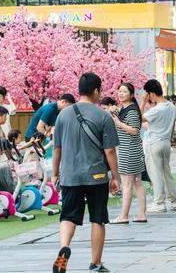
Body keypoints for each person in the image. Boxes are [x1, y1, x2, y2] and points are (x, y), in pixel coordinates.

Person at [51, 73, 120, 273]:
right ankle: (95, 264)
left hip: (70, 175)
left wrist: (56, 173)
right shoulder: (103, 116)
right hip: (96, 176)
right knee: (97, 218)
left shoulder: (63, 114)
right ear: (97, 90)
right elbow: (109, 151)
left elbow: (57, 149)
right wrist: (115, 177)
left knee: (68, 216)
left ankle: (64, 248)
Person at [109, 83, 147, 225]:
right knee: (137, 183)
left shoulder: (131, 110)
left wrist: (118, 123)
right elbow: (114, 115)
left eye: (124, 92)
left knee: (127, 185)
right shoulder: (126, 109)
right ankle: (142, 214)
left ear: (131, 95)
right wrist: (113, 110)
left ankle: (124, 216)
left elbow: (135, 130)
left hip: (128, 151)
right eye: (120, 91)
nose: (121, 94)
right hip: (132, 150)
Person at [141, 79, 176, 213]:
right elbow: (172, 125)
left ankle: (159, 202)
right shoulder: (171, 106)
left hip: (154, 143)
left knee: (156, 174)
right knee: (167, 173)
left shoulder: (156, 110)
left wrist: (143, 102)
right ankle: (174, 201)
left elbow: (139, 119)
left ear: (151, 94)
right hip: (166, 142)